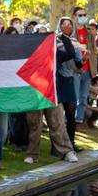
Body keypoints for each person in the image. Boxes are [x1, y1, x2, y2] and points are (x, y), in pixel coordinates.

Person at [25, 27, 79, 164]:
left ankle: (67, 152)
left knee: (58, 124)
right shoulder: (30, 53)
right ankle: (32, 154)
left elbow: (71, 53)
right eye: (41, 33)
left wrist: (64, 37)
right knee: (35, 126)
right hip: (35, 95)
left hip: (53, 94)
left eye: (46, 32)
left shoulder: (56, 53)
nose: (44, 35)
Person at [55, 17, 83, 152]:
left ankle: (72, 142)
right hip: (58, 79)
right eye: (64, 24)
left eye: (69, 25)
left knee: (71, 112)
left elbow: (78, 62)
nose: (67, 27)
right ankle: (57, 145)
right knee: (57, 116)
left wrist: (83, 60)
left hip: (70, 78)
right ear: (59, 26)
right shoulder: (54, 40)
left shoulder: (75, 42)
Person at [72, 7, 98, 128]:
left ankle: (79, 120)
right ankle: (69, 120)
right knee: (74, 96)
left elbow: (94, 50)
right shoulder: (70, 32)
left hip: (88, 70)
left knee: (83, 98)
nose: (82, 17)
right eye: (79, 15)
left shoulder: (89, 32)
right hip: (75, 69)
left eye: (84, 15)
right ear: (74, 16)